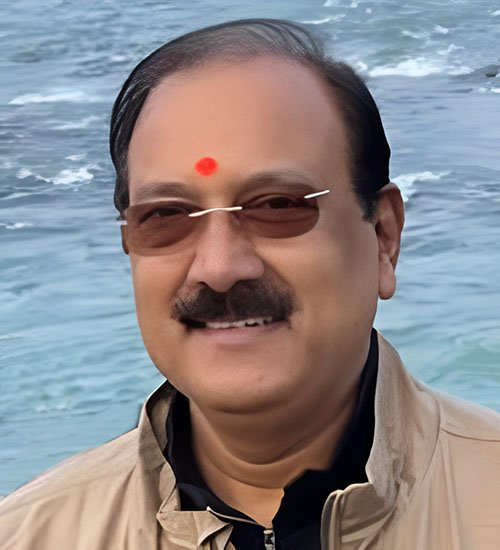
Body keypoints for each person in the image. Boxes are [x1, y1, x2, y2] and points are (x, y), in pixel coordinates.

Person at [1, 18, 499, 550]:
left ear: (383, 236)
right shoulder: (30, 534)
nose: (219, 267)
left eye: (277, 205)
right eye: (166, 215)